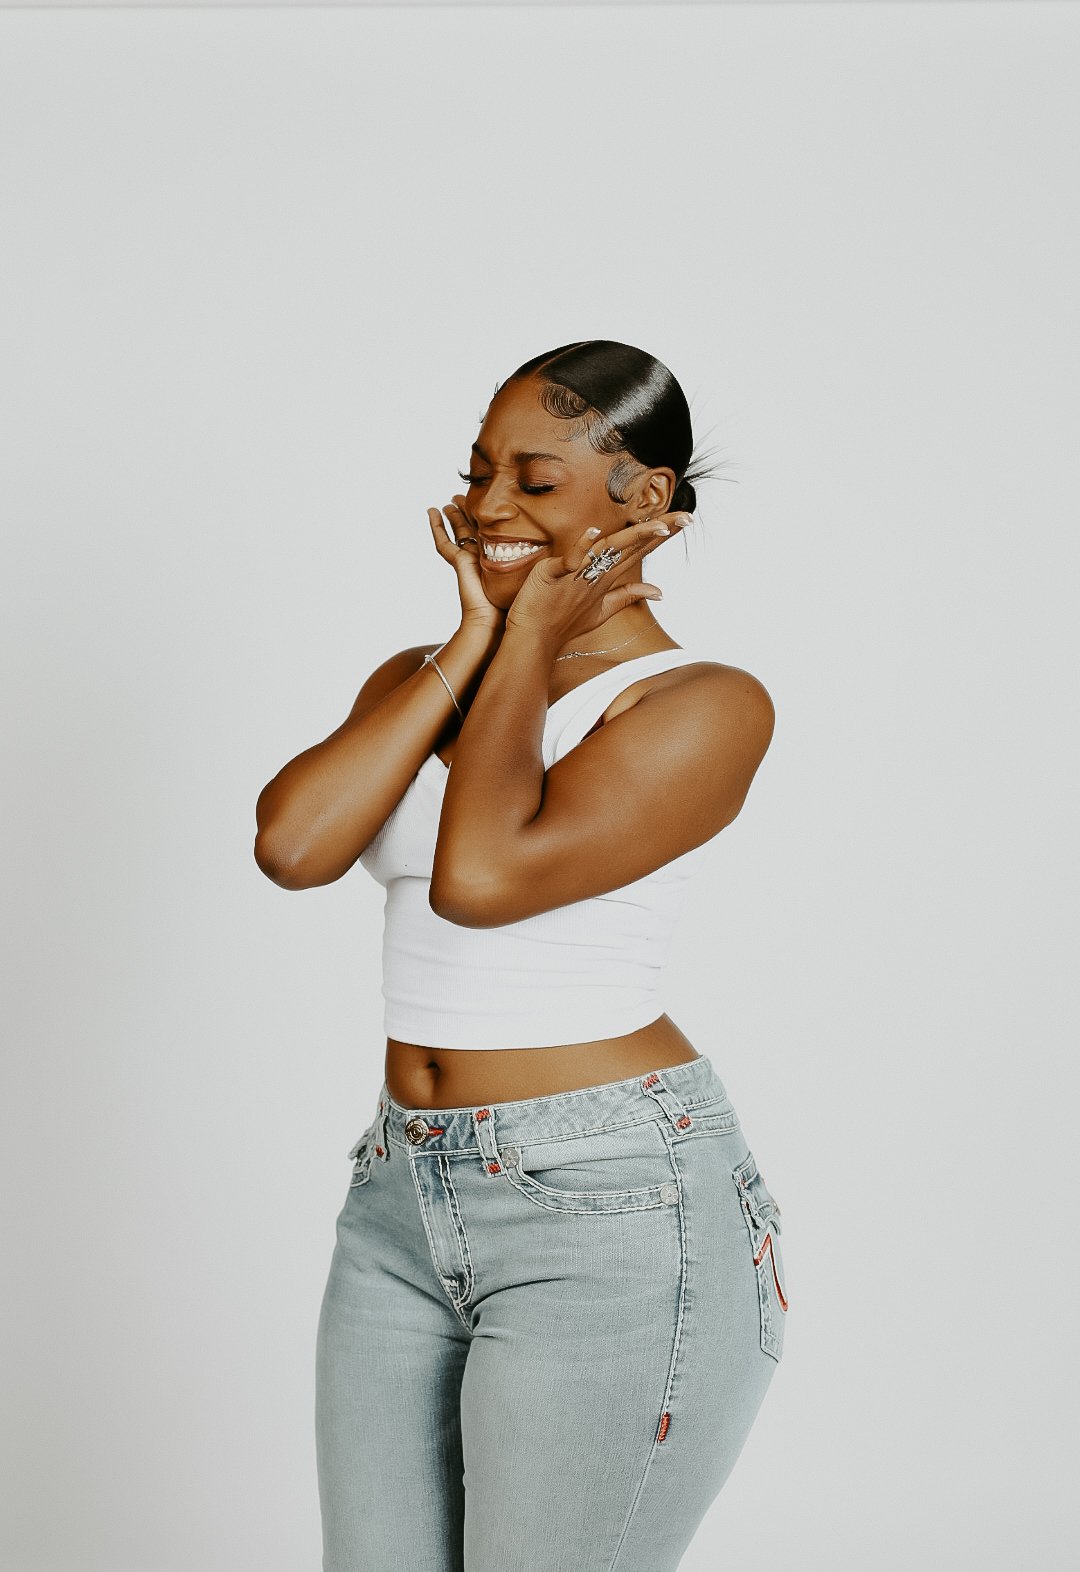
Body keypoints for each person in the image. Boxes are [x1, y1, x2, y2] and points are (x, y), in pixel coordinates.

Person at [254, 340, 788, 1572]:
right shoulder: (429, 679)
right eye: (478, 471)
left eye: (534, 481)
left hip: (610, 1203)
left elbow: (484, 879)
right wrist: (481, 639)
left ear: (643, 500)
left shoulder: (699, 704)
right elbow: (293, 846)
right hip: (400, 1193)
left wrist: (537, 622)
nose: (486, 508)